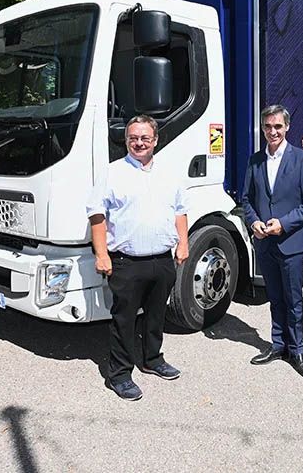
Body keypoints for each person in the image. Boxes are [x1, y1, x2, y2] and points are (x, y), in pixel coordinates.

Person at [87, 115, 189, 401]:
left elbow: (180, 211)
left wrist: (183, 243)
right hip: (126, 263)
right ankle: (119, 375)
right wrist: (101, 254)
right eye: (133, 138)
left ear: (155, 140)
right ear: (126, 141)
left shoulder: (169, 173)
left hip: (162, 260)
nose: (139, 143)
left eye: (145, 138)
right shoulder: (112, 173)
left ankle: (152, 359)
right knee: (124, 320)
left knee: (156, 315)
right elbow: (96, 215)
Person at [241, 104, 303, 377]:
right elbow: (247, 199)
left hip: (291, 242)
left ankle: (297, 350)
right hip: (265, 242)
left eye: (277, 126)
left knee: (293, 299)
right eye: (267, 126)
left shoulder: (301, 159)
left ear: (287, 127)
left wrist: (283, 224)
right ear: (262, 128)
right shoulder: (255, 160)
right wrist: (254, 222)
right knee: (274, 297)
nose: (272, 131)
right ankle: (278, 345)